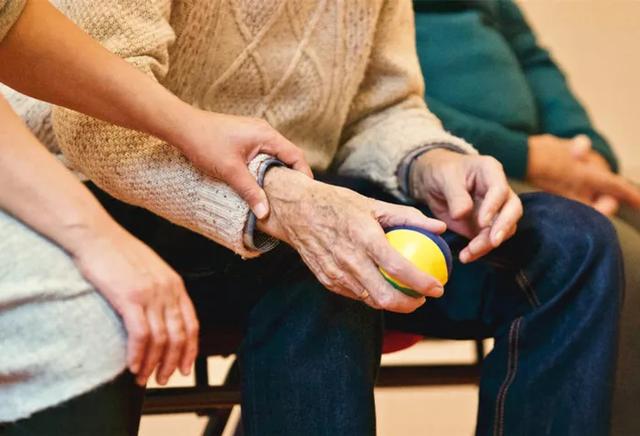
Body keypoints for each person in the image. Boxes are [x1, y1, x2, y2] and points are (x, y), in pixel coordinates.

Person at [4, 0, 626, 435]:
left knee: (574, 245)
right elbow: (97, 130)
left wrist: (429, 162)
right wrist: (284, 203)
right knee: (328, 265)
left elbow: (382, 106)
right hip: (127, 192)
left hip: (311, 192)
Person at [0, 0, 310, 432]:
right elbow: (87, 130)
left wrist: (190, 125)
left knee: (317, 268)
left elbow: (10, 23)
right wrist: (98, 239)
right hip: (72, 178)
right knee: (82, 334)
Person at [412, 0, 640, 433]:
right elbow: (381, 102)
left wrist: (588, 156)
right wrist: (529, 156)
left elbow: (533, 59)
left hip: (536, 171)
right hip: (444, 174)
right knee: (616, 252)